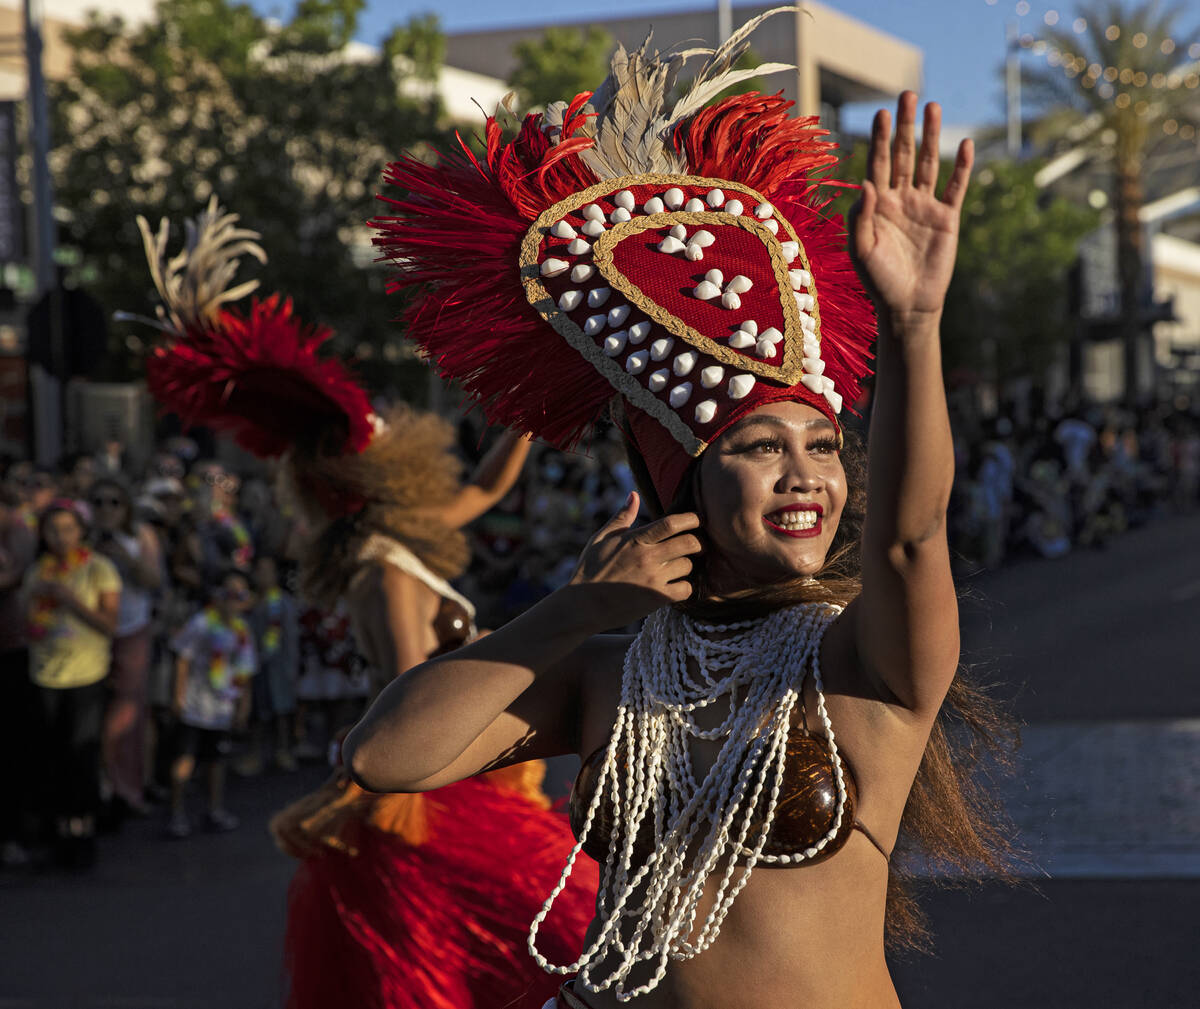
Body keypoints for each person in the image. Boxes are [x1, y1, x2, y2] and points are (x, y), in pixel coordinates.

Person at [355, 14, 1019, 1008]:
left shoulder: (864, 658)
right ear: (685, 485)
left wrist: (915, 328)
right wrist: (577, 610)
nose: (805, 475)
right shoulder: (608, 658)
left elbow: (914, 533)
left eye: (823, 448)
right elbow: (383, 757)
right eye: (760, 448)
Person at [127, 199, 599, 1009]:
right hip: (436, 794)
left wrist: (536, 393)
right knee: (541, 939)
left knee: (538, 946)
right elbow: (418, 693)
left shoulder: (401, 539)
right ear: (366, 478)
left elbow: (486, 486)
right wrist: (532, 636)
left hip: (457, 777)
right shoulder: (385, 571)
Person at [22, 499, 121, 867]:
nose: (60, 537)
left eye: (67, 529)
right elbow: (30, 624)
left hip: (86, 674)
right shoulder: (39, 572)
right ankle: (59, 832)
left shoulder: (98, 569)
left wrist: (70, 601)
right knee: (52, 757)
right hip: (45, 674)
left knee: (81, 754)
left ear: (80, 531)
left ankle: (83, 832)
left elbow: (110, 625)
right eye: (52, 530)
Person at [90, 476, 163, 818]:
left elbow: (154, 581)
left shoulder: (140, 537)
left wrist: (126, 559)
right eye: (99, 502)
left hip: (132, 630)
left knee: (127, 715)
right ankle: (103, 785)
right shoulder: (82, 539)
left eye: (114, 503)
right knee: (95, 717)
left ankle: (130, 787)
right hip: (90, 636)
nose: (106, 510)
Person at [166, 568, 257, 837]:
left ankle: (214, 810)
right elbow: (182, 659)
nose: (234, 600)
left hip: (222, 708)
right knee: (185, 759)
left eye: (240, 595)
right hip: (195, 706)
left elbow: (245, 671)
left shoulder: (243, 630)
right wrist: (177, 696)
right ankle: (176, 813)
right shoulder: (201, 624)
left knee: (217, 760)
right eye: (229, 594)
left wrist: (243, 704)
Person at [0, 485, 37, 866]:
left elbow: (12, 577)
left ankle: (13, 833)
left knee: (11, 748)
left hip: (11, 653)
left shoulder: (19, 531)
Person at [240, 554, 300, 774]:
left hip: (279, 666)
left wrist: (292, 667)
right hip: (254, 665)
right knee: (256, 713)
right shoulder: (247, 601)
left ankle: (283, 751)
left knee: (281, 712)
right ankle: (254, 754)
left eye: (268, 570)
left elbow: (291, 637)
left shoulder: (282, 602)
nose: (264, 575)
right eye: (260, 570)